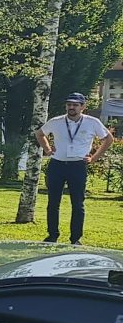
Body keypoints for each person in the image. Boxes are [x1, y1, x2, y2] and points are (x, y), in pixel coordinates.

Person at [35, 92, 115, 245]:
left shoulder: (92, 122)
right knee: (53, 202)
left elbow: (108, 139)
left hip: (78, 166)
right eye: (69, 104)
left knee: (78, 203)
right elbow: (40, 134)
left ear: (83, 107)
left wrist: (93, 158)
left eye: (75, 105)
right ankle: (52, 236)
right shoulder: (56, 121)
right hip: (57, 165)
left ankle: (75, 238)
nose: (71, 107)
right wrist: (47, 149)